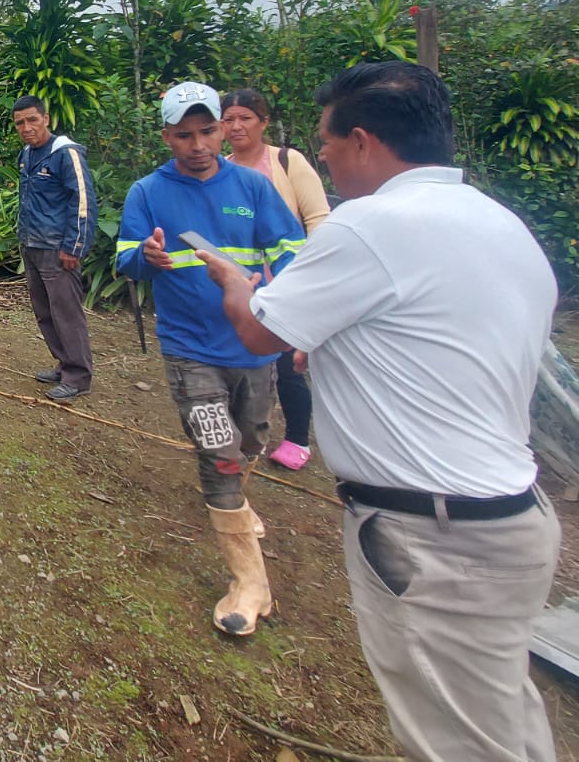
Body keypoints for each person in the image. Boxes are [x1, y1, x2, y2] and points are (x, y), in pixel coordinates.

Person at [203, 62, 560, 762]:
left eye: (328, 144)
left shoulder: (369, 225)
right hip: (516, 519)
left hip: (431, 538)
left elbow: (259, 332)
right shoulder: (503, 226)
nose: (325, 161)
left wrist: (234, 281)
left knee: (453, 741)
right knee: (502, 719)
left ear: (363, 141)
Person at [115, 82, 306, 636]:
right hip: (188, 350)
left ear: (222, 129)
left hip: (253, 344)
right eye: (183, 135)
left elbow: (291, 252)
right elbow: (126, 258)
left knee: (249, 440)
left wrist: (291, 311)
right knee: (218, 453)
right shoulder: (148, 192)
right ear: (166, 136)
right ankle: (249, 582)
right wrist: (146, 256)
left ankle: (237, 504)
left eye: (207, 131)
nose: (197, 145)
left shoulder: (253, 186)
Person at [219, 88, 331, 472]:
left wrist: (310, 273)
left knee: (286, 364)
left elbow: (317, 217)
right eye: (229, 119)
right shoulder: (221, 168)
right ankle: (239, 432)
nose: (236, 126)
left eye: (245, 118)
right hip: (241, 284)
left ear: (264, 122)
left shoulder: (287, 161)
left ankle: (298, 438)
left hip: (286, 281)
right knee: (242, 360)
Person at [12, 96, 97, 401]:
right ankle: (64, 364)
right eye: (20, 123)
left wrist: (74, 247)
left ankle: (79, 376)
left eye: (32, 120)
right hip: (33, 244)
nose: (27, 128)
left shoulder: (65, 153)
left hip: (58, 250)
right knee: (45, 311)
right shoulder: (27, 155)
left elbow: (83, 201)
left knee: (66, 313)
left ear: (46, 119)